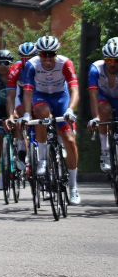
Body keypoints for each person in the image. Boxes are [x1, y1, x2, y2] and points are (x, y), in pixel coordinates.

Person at [18, 36, 81, 205]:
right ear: (38, 54)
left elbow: (74, 89)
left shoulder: (65, 63)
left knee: (69, 140)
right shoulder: (32, 65)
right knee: (40, 114)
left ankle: (73, 186)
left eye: (51, 54)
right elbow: (28, 91)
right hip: (41, 96)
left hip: (61, 97)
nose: (47, 58)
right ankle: (43, 158)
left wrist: (70, 110)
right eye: (43, 55)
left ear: (56, 53)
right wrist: (25, 113)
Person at [87, 37, 118, 172]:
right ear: (104, 59)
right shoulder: (95, 69)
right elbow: (93, 95)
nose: (112, 64)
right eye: (109, 60)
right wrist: (96, 118)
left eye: (116, 61)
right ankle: (105, 151)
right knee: (103, 110)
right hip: (103, 97)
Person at [7, 42, 36, 170]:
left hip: (39, 97)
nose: (27, 61)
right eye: (24, 59)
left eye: (31, 58)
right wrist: (11, 115)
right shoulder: (16, 70)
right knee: (19, 120)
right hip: (22, 97)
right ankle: (21, 150)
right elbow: (11, 96)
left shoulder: (40, 68)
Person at [0, 49, 14, 189]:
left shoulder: (15, 76)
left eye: (6, 63)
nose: (2, 66)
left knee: (19, 128)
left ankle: (21, 156)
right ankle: (2, 171)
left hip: (13, 107)